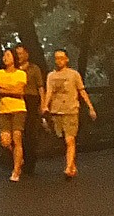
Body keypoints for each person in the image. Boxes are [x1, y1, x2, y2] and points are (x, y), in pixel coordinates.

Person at [42, 49, 97, 178]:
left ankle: (68, 167)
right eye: (56, 58)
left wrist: (90, 107)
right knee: (61, 139)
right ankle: (71, 164)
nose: (59, 61)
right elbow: (49, 92)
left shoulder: (74, 74)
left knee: (70, 139)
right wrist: (45, 105)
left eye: (61, 58)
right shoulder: (51, 76)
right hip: (56, 111)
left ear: (67, 59)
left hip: (71, 110)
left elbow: (81, 91)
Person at [0, 46, 28, 181]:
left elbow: (20, 91)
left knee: (17, 138)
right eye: (4, 56)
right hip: (3, 109)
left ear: (14, 58)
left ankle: (16, 170)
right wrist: (11, 88)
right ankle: (18, 157)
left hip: (18, 109)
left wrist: (5, 88)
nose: (5, 58)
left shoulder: (21, 73)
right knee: (5, 141)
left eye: (8, 55)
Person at [15, 42, 44, 177]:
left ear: (27, 54)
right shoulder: (14, 69)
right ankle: (19, 161)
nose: (19, 56)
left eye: (21, 53)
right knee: (18, 132)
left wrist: (43, 104)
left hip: (31, 100)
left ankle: (30, 164)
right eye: (17, 54)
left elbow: (40, 87)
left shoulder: (34, 68)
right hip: (18, 100)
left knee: (31, 133)